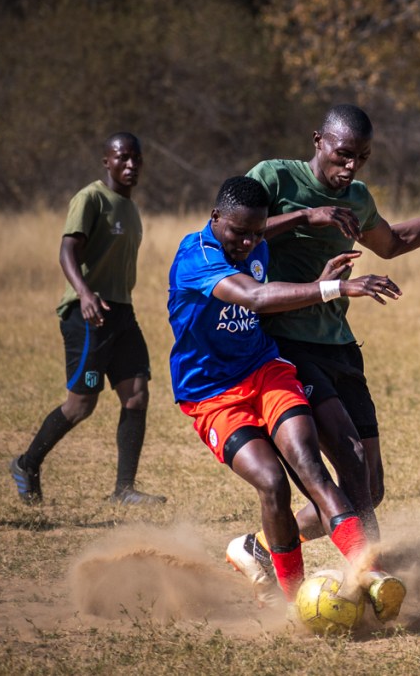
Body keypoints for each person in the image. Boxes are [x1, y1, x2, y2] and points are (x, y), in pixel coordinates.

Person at [227, 104, 420, 594]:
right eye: (342, 154)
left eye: (361, 157)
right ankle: (370, 578)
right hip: (286, 346)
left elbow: (396, 240)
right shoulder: (275, 178)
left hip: (340, 346)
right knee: (349, 455)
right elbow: (232, 230)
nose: (350, 167)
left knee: (369, 488)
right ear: (318, 141)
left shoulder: (357, 198)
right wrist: (306, 216)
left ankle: (261, 545)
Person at [167, 175, 406, 618]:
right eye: (240, 232)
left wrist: (304, 215)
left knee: (311, 467)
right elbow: (255, 297)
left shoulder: (252, 236)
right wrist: (332, 287)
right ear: (215, 218)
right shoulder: (196, 257)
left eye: (257, 233)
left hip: (265, 371)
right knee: (272, 483)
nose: (249, 243)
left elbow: (265, 234)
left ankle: (368, 571)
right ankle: (291, 596)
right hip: (213, 395)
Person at [9, 133, 165, 506]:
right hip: (88, 313)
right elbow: (67, 250)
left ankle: (124, 489)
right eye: (122, 158)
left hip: (121, 312)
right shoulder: (90, 198)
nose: (130, 165)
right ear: (106, 161)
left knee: (137, 395)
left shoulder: (131, 208)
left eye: (136, 159)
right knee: (81, 404)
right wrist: (84, 293)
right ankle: (27, 464)